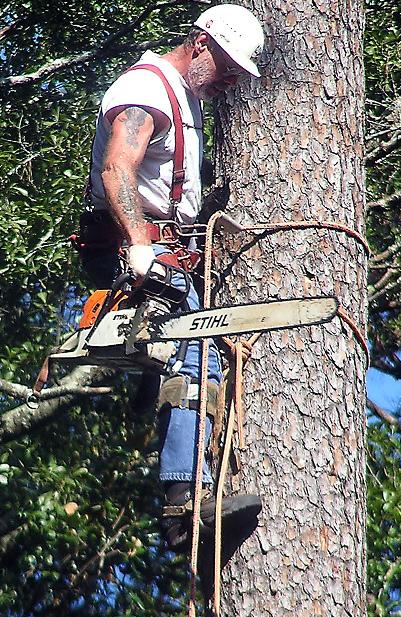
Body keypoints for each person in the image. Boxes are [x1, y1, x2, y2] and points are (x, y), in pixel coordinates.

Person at [80, 4, 265, 548]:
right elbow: (117, 170)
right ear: (201, 43)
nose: (229, 81)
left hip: (168, 251)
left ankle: (179, 462)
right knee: (196, 359)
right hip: (135, 249)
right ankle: (183, 506)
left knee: (197, 358)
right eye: (226, 68)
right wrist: (140, 246)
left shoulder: (185, 99)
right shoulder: (146, 89)